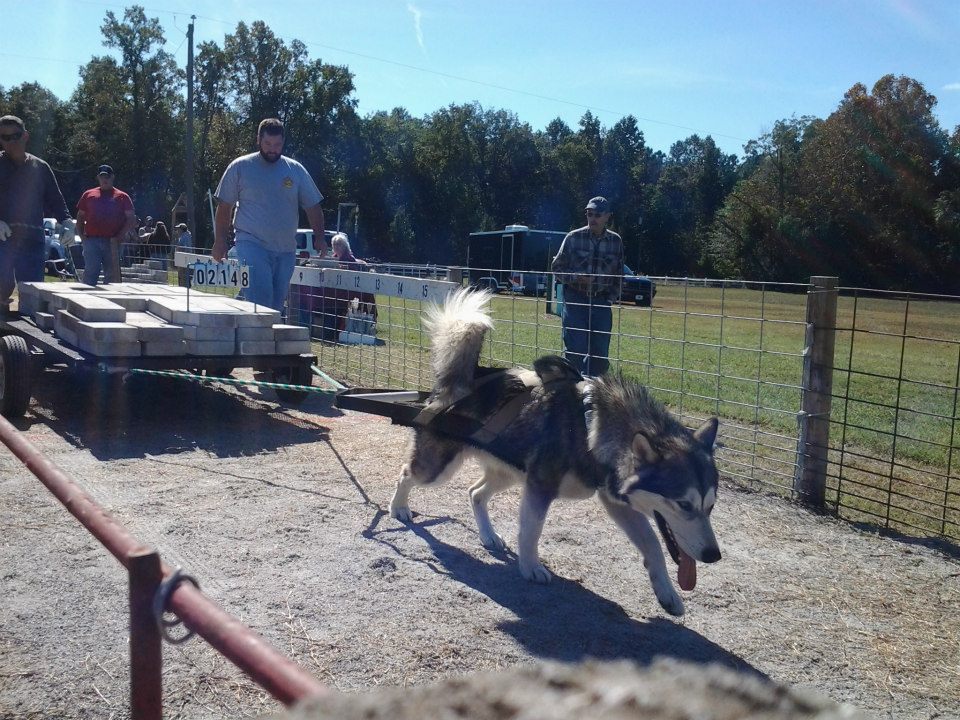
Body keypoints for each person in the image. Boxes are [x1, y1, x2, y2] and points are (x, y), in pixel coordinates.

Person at [212, 118, 327, 313]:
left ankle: (253, 341)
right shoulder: (240, 167)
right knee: (262, 304)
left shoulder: (295, 170)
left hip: (286, 250)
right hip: (251, 244)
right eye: (268, 144)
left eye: (277, 144)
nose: (272, 149)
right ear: (258, 140)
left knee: (275, 306)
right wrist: (220, 241)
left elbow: (313, 207)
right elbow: (225, 206)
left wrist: (321, 238)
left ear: (283, 142)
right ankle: (258, 340)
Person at [0, 115, 71, 315]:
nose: (11, 142)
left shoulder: (40, 167)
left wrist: (66, 221)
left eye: (15, 136)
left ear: (25, 136)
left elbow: (56, 199)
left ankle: (28, 337)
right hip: (2, 240)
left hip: (32, 240)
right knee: (1, 288)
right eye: (5, 138)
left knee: (32, 293)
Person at [551, 196, 624, 376]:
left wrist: (609, 299)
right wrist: (576, 278)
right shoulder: (573, 237)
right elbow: (556, 267)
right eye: (589, 214)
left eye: (597, 214)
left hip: (601, 301)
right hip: (576, 300)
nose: (592, 218)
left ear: (607, 216)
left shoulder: (616, 241)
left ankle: (592, 396)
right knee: (575, 349)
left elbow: (620, 275)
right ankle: (569, 393)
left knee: (599, 355)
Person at [76, 165, 137, 286]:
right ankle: (87, 300)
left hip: (113, 241)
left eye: (107, 177)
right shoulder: (88, 194)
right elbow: (80, 216)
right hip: (91, 240)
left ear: (112, 177)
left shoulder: (122, 196)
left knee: (111, 275)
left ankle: (110, 303)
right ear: (98, 178)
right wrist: (82, 236)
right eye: (102, 176)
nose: (105, 180)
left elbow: (131, 218)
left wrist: (121, 235)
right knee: (91, 272)